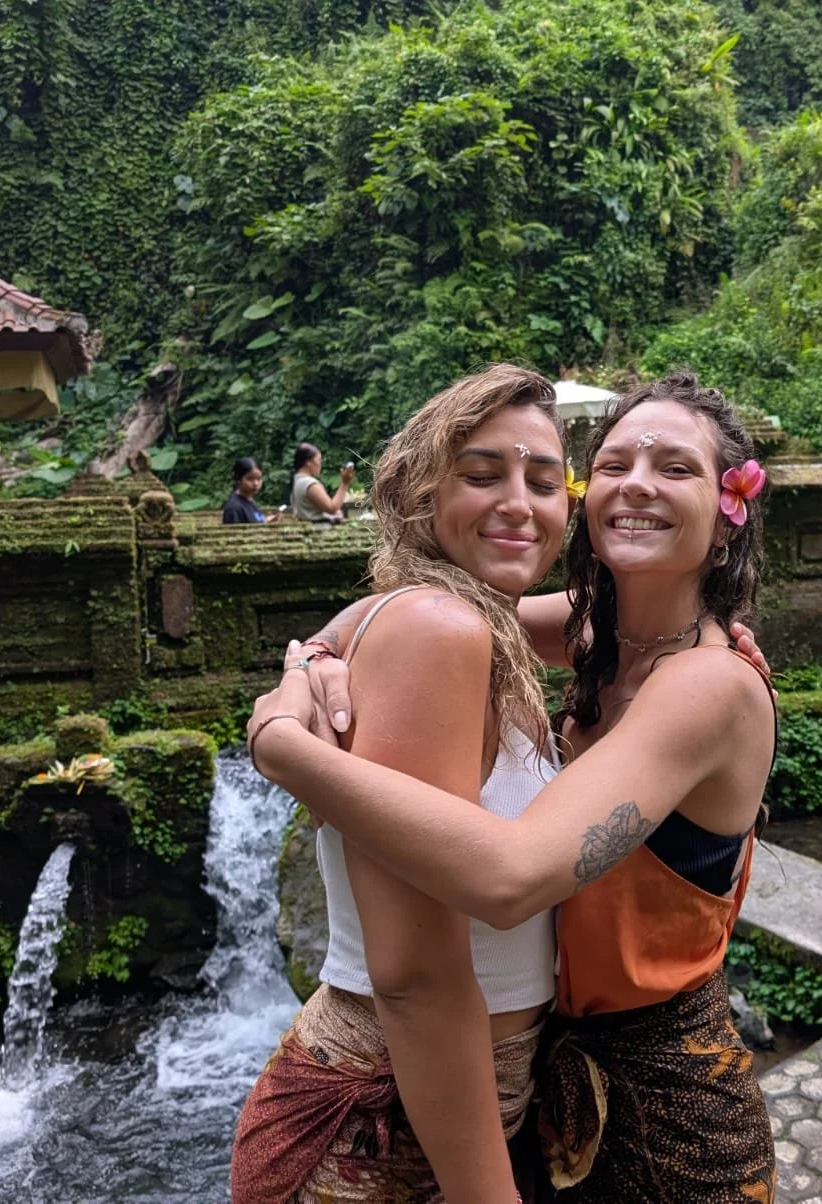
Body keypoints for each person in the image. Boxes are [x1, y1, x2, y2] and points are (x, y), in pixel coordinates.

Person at [247, 371, 778, 1202]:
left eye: (674, 467)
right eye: (613, 463)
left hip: (666, 1102)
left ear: (727, 516)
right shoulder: (591, 634)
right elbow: (404, 609)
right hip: (543, 1087)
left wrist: (283, 748)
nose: (637, 481)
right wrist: (307, 659)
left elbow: (509, 877)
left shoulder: (708, 685)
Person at [231, 364, 572, 1203]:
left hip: (432, 1108)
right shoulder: (438, 628)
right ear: (419, 493)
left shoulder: (476, 620)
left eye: (544, 479)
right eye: (482, 474)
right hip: (377, 1128)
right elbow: (415, 974)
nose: (520, 504)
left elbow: (630, 625)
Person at [291, 442, 357, 522]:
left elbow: (309, 512)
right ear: (308, 462)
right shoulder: (310, 484)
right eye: (318, 460)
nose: (320, 464)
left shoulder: (297, 480)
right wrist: (345, 483)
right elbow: (332, 508)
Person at [222, 457, 279, 524]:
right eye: (250, 479)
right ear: (238, 480)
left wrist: (269, 520)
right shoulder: (234, 508)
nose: (256, 483)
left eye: (259, 478)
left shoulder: (250, 500)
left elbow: (255, 522)